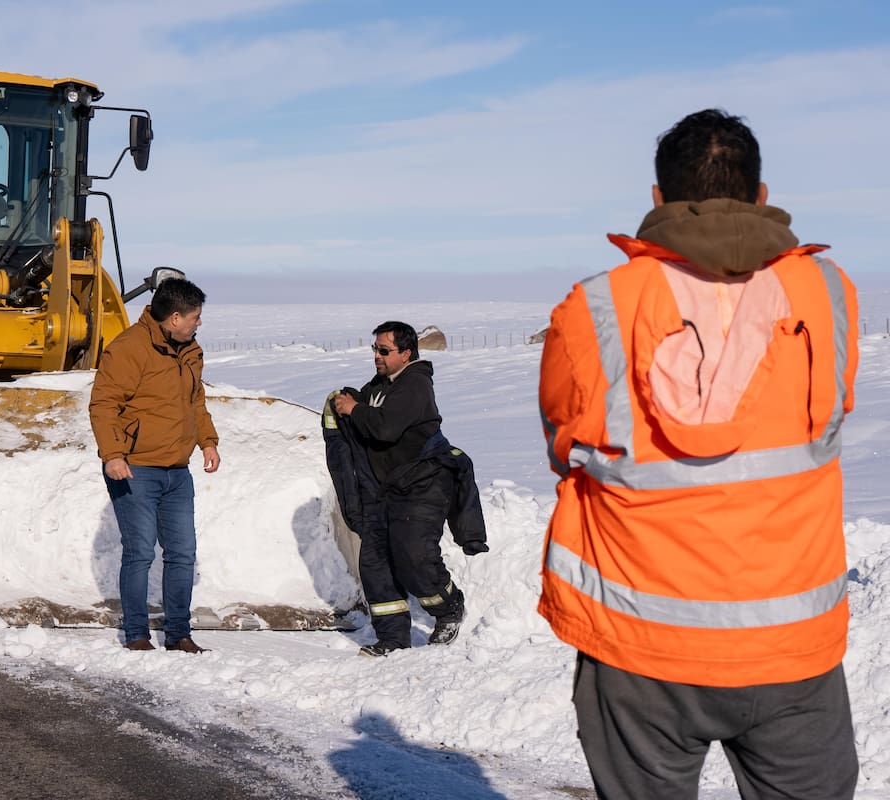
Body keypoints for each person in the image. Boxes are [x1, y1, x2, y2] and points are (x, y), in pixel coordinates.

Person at [538, 108, 860, 798]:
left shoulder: (595, 308)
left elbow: (565, 444)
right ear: (761, 195)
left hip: (639, 649)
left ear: (658, 198)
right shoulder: (828, 294)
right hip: (793, 646)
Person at [327, 321, 487, 657]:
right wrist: (348, 401)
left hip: (424, 482)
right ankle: (392, 638)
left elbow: (385, 427)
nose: (377, 356)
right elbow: (366, 406)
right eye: (375, 349)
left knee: (414, 554)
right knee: (376, 562)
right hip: (387, 488)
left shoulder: (415, 384)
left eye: (384, 350)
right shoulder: (381, 385)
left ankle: (449, 608)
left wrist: (354, 409)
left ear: (406, 353)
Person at [89, 277, 220, 654]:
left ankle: (178, 633)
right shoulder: (128, 349)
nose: (199, 323)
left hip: (177, 471)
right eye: (195, 317)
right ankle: (136, 634)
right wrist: (113, 454)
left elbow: (196, 401)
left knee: (182, 553)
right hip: (135, 469)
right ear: (175, 317)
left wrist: (207, 441)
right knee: (140, 553)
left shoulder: (190, 350)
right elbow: (104, 404)